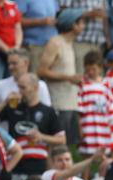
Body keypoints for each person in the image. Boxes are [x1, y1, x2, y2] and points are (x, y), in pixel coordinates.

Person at [0, 73, 64, 180]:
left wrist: (41, 136)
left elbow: (61, 139)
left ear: (35, 88)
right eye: (18, 87)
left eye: (23, 87)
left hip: (39, 168)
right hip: (16, 166)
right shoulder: (13, 107)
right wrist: (4, 103)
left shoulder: (48, 111)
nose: (19, 91)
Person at [37, 9, 82, 146]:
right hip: (58, 103)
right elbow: (41, 71)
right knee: (57, 146)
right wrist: (68, 78)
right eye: (80, 22)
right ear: (73, 25)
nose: (83, 25)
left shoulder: (69, 44)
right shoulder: (55, 42)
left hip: (70, 102)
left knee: (67, 146)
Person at [77, 50, 113, 156]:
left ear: (100, 68)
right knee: (87, 154)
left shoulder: (105, 84)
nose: (90, 72)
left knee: (106, 152)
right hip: (88, 124)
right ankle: (86, 173)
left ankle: (105, 172)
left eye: (93, 69)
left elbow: (111, 106)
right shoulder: (82, 85)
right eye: (88, 69)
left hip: (103, 124)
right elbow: (79, 108)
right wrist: (80, 127)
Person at [0, 48, 51, 115]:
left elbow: (47, 113)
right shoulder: (1, 85)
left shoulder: (40, 85)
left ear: (26, 63)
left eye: (14, 63)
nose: (10, 67)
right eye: (9, 64)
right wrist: (5, 102)